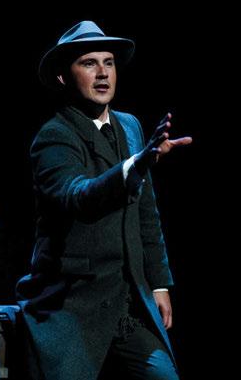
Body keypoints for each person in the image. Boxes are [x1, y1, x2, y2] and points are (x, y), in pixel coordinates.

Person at [15, 20, 192, 380]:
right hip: (73, 306)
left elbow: (146, 213)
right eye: (89, 63)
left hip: (126, 306)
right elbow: (79, 196)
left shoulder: (130, 126)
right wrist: (134, 165)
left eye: (108, 63)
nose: (102, 73)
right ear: (64, 76)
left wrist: (158, 283)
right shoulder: (54, 136)